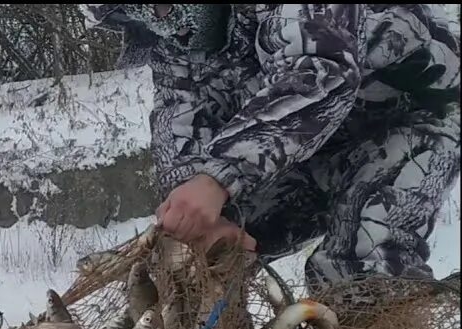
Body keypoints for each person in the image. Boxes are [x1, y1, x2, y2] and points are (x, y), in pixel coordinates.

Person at [79, 4, 461, 298]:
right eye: (142, 10)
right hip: (311, 144)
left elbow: (318, 72)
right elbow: (181, 123)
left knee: (357, 266)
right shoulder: (177, 45)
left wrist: (217, 178)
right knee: (197, 260)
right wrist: (209, 211)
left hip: (420, 111)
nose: (164, 19)